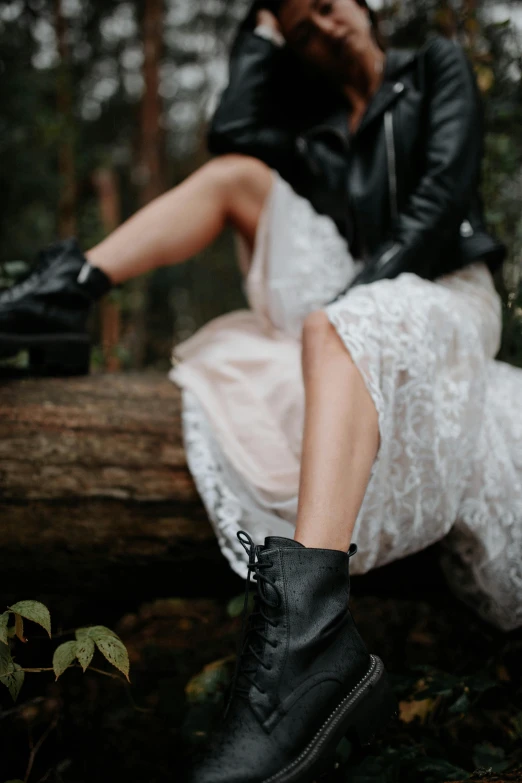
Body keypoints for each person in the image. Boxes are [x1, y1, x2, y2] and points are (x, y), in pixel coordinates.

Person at [1, 0, 521, 780]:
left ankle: (309, 647)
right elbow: (234, 135)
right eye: (300, 22)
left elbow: (441, 198)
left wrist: (356, 302)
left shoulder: (431, 68)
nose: (320, 22)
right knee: (237, 177)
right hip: (346, 277)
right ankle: (62, 294)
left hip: (442, 284)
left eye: (327, 4)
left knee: (337, 327)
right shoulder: (313, 124)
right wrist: (265, 29)